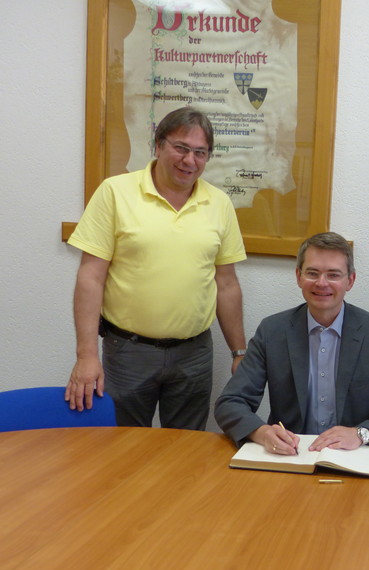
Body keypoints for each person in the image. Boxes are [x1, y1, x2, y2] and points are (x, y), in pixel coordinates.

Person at [66, 106, 247, 430]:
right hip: (129, 353)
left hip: (194, 355)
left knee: (185, 455)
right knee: (121, 452)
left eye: (199, 152)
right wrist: (86, 355)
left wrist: (239, 351)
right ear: (159, 145)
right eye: (180, 148)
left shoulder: (219, 203)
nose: (189, 161)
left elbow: (227, 284)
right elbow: (90, 277)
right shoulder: (115, 192)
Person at [215, 231, 369, 453]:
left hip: (355, 456)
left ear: (350, 280)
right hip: (291, 455)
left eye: (333, 275)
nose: (322, 283)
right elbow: (230, 403)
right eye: (312, 273)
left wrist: (360, 434)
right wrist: (261, 433)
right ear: (299, 276)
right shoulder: (272, 331)